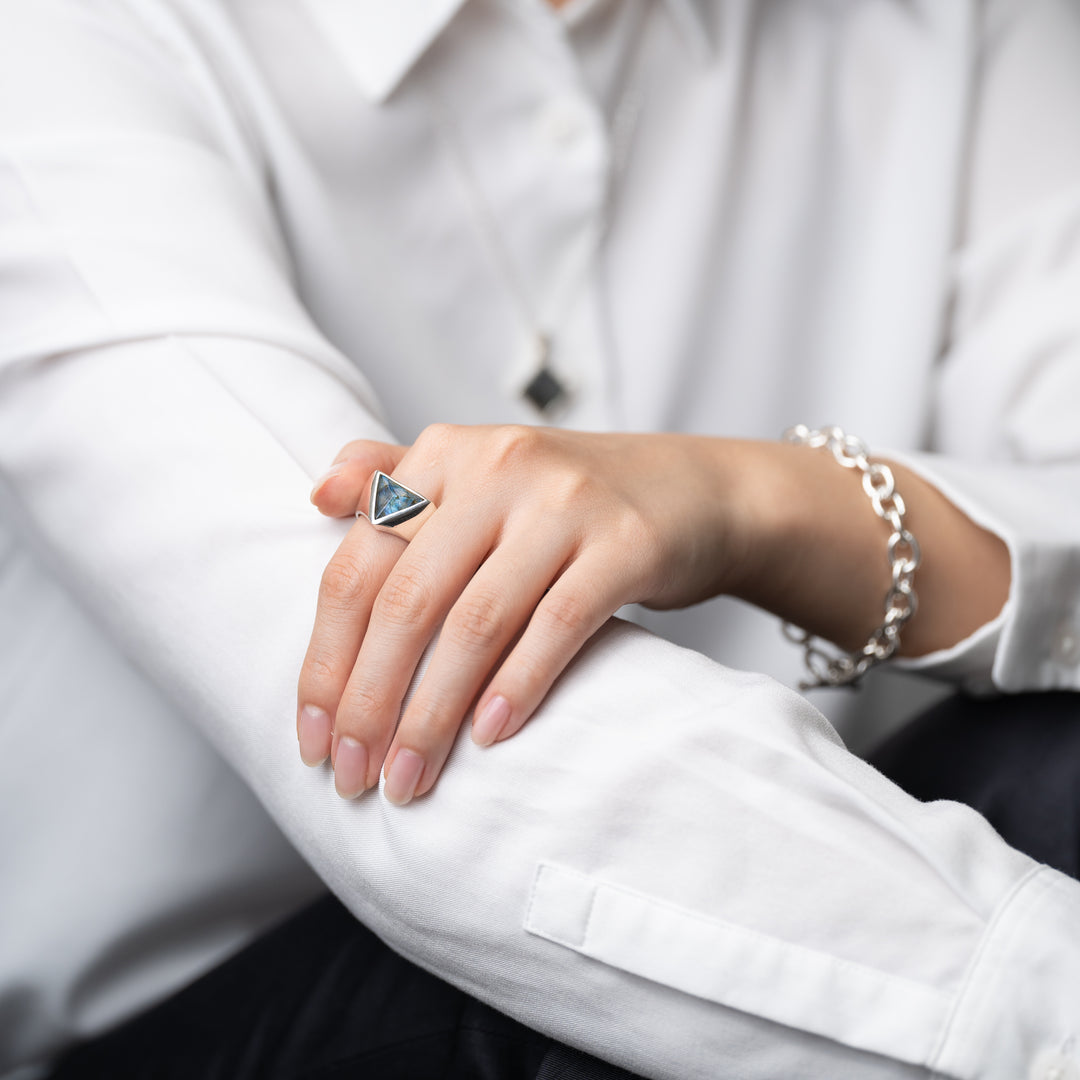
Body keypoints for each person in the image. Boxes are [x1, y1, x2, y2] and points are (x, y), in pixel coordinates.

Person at [1, 1, 1080, 1078]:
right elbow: (420, 760)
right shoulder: (70, 43)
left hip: (775, 877)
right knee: (597, 989)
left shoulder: (965, 29)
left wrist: (765, 504)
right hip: (199, 1025)